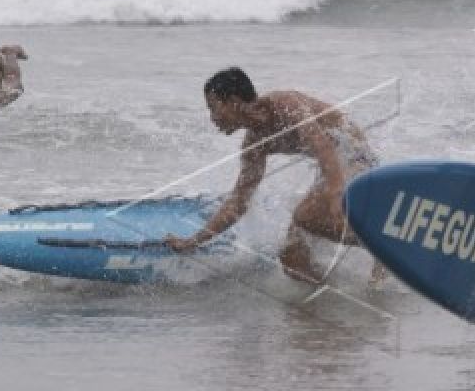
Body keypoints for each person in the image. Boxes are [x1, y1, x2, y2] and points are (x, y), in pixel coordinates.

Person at [165, 67, 385, 285]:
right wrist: (194, 242)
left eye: (214, 108)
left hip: (355, 157)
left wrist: (335, 193)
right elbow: (239, 203)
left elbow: (323, 147)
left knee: (305, 216)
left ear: (233, 101)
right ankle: (327, 300)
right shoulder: (254, 145)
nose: (212, 118)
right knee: (292, 257)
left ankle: (384, 246)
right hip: (331, 167)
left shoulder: (285, 105)